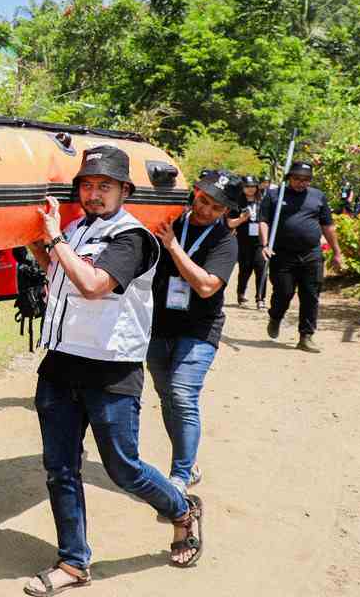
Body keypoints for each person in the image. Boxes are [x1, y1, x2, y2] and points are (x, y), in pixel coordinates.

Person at [21, 145, 205, 597]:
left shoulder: (133, 238)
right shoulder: (77, 229)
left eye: (105, 186)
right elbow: (59, 273)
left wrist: (54, 240)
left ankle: (182, 509)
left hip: (111, 371)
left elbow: (92, 284)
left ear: (125, 190)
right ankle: (73, 561)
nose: (94, 194)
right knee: (59, 467)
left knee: (122, 467)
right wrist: (35, 240)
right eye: (87, 185)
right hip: (61, 363)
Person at [148, 171, 243, 499]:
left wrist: (173, 247)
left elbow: (205, 287)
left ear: (225, 213)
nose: (206, 210)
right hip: (159, 324)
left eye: (216, 208)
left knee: (182, 394)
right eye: (203, 200)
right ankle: (190, 462)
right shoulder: (170, 220)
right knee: (167, 396)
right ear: (195, 192)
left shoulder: (225, 242)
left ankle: (179, 475)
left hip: (200, 328)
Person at [259, 161, 345, 352]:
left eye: (306, 180)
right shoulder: (274, 195)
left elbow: (328, 226)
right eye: (297, 178)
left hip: (311, 254)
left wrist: (337, 252)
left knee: (310, 296)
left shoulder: (318, 196)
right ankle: (276, 316)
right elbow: (263, 221)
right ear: (289, 177)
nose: (301, 183)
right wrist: (265, 244)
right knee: (284, 292)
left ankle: (306, 336)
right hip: (282, 254)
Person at [227, 175, 266, 309]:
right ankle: (241, 293)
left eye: (253, 186)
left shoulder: (263, 202)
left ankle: (260, 298)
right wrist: (242, 219)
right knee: (245, 269)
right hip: (243, 240)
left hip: (260, 240)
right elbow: (230, 223)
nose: (250, 189)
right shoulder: (236, 203)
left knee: (261, 268)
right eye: (247, 186)